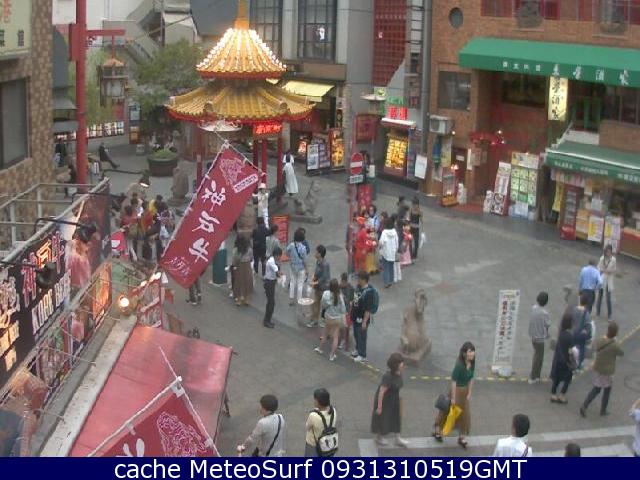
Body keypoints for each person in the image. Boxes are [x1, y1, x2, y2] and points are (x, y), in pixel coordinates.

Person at [433, 342, 475, 448]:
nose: (472, 353)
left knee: (465, 415)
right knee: (447, 412)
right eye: (470, 351)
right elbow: (454, 381)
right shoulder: (459, 366)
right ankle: (438, 431)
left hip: (464, 393)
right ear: (464, 353)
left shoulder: (472, 364)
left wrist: (470, 392)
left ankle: (462, 437)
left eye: (473, 351)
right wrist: (453, 397)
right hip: (456, 392)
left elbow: (471, 378)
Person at [580, 322, 624, 418]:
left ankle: (585, 405)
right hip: (608, 371)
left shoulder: (600, 340)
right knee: (606, 390)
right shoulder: (614, 345)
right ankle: (602, 410)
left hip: (598, 367)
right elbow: (621, 353)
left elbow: (594, 348)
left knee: (597, 388)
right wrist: (616, 341)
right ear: (615, 333)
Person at [371, 353, 407, 447]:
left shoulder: (399, 373)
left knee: (396, 418)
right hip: (385, 401)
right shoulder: (388, 377)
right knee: (384, 418)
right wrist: (379, 407)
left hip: (394, 399)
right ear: (396, 365)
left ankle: (397, 438)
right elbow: (381, 392)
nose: (403, 364)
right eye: (401, 363)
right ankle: (379, 437)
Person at [314, 279, 347, 361]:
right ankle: (332, 355)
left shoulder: (326, 294)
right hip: (337, 319)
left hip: (328, 317)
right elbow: (343, 309)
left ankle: (320, 349)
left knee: (325, 334)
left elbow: (323, 305)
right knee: (335, 337)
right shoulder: (340, 296)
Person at [550, 312, 575, 404]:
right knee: (567, 379)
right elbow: (571, 351)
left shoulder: (561, 333)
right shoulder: (570, 336)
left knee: (557, 378)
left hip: (558, 360)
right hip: (566, 361)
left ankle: (553, 394)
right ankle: (561, 395)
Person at [350, 271, 374, 364]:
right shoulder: (358, 287)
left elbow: (368, 309)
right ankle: (357, 349)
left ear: (363, 280)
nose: (357, 280)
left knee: (362, 336)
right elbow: (355, 299)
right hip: (355, 316)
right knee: (356, 334)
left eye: (359, 278)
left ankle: (362, 355)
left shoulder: (369, 292)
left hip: (362, 318)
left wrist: (364, 321)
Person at [305, 388, 337, 457]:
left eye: (315, 399)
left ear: (318, 402)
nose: (314, 401)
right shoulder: (333, 411)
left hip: (314, 444)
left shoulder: (313, 415)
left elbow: (307, 427)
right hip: (328, 444)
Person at [528, 292, 551, 384]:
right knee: (538, 358)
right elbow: (547, 325)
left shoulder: (533, 308)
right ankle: (533, 376)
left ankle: (537, 375)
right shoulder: (544, 313)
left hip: (533, 335)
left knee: (537, 355)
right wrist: (547, 334)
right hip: (540, 338)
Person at [308, 245, 331, 328]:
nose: (315, 253)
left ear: (320, 254)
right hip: (318, 287)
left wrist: (314, 283)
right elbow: (316, 272)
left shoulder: (325, 264)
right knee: (315, 303)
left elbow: (324, 277)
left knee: (325, 305)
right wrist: (313, 277)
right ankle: (315, 320)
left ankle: (324, 321)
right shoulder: (318, 261)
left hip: (324, 288)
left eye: (316, 252)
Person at [286, 229, 308, 306]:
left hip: (292, 267)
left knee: (292, 282)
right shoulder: (303, 248)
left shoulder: (291, 245)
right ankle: (299, 300)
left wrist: (291, 257)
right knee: (300, 284)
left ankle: (291, 299)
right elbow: (304, 260)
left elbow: (286, 252)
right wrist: (307, 269)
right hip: (301, 268)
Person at [263, 246, 283, 329]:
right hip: (269, 283)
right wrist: (281, 275)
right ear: (276, 255)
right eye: (279, 256)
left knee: (270, 302)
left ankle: (267, 320)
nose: (280, 258)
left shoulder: (273, 260)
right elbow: (277, 272)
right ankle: (266, 321)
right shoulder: (271, 261)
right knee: (271, 303)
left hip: (271, 282)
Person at [572, 292, 593, 369]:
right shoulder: (586, 314)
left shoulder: (574, 310)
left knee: (573, 347)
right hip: (581, 335)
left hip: (573, 332)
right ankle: (579, 364)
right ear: (586, 303)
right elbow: (588, 327)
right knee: (581, 349)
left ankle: (572, 362)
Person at [232, 235, 254, 306]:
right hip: (247, 266)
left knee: (238, 282)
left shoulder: (236, 249)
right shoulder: (249, 249)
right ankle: (246, 299)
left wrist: (234, 265)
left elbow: (234, 259)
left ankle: (238, 300)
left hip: (239, 266)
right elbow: (251, 258)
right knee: (247, 282)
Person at [596, 245, 616, 320]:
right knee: (600, 296)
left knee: (608, 298)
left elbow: (614, 269)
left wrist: (610, 271)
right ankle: (598, 312)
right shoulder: (602, 258)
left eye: (609, 251)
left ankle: (609, 315)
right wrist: (603, 271)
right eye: (607, 251)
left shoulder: (613, 260)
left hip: (609, 280)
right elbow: (598, 268)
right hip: (602, 279)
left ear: (611, 251)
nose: (608, 253)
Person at [379, 217, 399, 288]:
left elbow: (381, 242)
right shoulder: (394, 231)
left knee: (385, 268)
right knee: (391, 266)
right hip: (393, 252)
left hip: (386, 252)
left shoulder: (384, 232)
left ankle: (386, 283)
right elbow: (397, 241)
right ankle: (391, 280)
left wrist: (380, 247)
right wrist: (396, 250)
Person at [338, 273, 355, 352]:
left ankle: (344, 340)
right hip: (340, 309)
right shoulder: (339, 286)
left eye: (342, 281)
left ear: (345, 281)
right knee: (341, 326)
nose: (341, 282)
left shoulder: (350, 288)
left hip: (347, 310)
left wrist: (342, 297)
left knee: (346, 327)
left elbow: (350, 300)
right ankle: (341, 339)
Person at [409, 196, 423, 260]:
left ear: (418, 205)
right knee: (409, 241)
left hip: (416, 228)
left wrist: (422, 230)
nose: (414, 206)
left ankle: (415, 254)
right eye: (413, 205)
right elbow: (409, 219)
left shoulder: (420, 212)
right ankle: (410, 253)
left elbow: (421, 221)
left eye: (415, 205)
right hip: (411, 228)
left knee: (416, 242)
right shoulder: (411, 210)